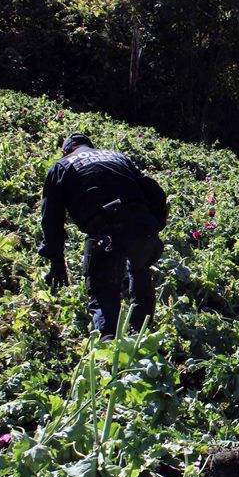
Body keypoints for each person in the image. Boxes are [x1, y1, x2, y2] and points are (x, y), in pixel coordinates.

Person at [39, 133, 168, 340]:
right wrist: (153, 226)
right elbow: (155, 191)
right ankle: (139, 338)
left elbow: (51, 220)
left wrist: (56, 262)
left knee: (103, 292)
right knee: (140, 272)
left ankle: (108, 350)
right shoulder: (118, 157)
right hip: (143, 225)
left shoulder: (62, 166)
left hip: (108, 230)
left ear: (67, 151)